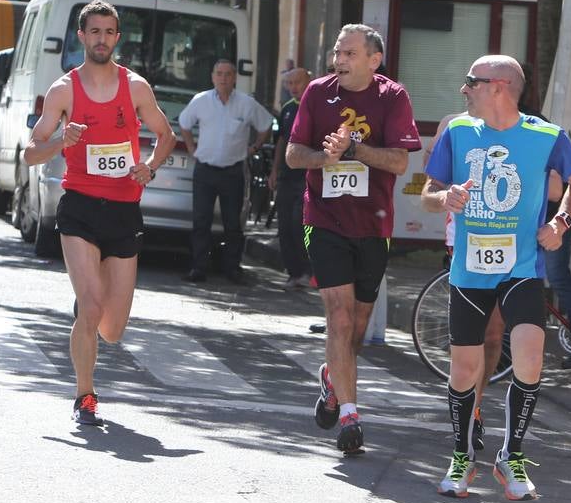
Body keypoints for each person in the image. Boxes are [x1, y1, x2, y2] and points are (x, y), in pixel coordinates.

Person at [423, 57, 571, 500]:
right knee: (463, 370)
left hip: (522, 268)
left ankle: (511, 456)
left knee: (531, 360)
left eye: (470, 82)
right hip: (469, 271)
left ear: (498, 87)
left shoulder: (545, 135)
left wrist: (561, 224)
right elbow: (426, 194)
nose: (464, 90)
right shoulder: (457, 132)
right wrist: (445, 197)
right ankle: (461, 457)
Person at [23, 0, 174, 426]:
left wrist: (150, 166)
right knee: (90, 308)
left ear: (117, 38)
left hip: (124, 211)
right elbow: (30, 154)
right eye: (95, 31)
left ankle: (87, 314)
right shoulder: (64, 91)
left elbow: (165, 135)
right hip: (81, 208)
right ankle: (84, 396)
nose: (102, 39)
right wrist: (61, 143)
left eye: (109, 32)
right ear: (82, 36)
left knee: (113, 329)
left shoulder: (137, 87)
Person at [286, 24, 422, 454]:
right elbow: (294, 155)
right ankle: (350, 416)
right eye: (337, 53)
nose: (338, 61)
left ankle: (332, 379)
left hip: (373, 225)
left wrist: (354, 150)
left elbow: (400, 163)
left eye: (348, 54)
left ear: (372, 60)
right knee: (339, 319)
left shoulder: (392, 96)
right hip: (324, 220)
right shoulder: (317, 93)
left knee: (356, 330)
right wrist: (324, 157)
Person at [177, 59, 273, 283]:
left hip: (232, 172)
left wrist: (255, 147)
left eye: (228, 74)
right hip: (205, 170)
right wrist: (191, 147)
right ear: (212, 77)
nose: (223, 78)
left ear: (234, 78)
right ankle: (198, 268)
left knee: (233, 223)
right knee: (201, 221)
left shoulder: (246, 104)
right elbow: (184, 122)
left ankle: (232, 269)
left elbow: (266, 125)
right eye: (219, 74)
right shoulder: (201, 101)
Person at [270, 66, 313, 288]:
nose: (293, 87)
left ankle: (307, 270)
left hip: (308, 175)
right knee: (284, 224)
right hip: (287, 175)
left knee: (300, 223)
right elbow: (281, 141)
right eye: (290, 83)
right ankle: (293, 272)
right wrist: (274, 170)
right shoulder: (287, 109)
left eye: (298, 82)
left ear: (308, 80)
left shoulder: (316, 106)